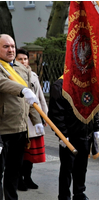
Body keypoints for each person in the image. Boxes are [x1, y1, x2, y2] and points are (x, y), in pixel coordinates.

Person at [0, 34, 42, 200]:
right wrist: (22, 89)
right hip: (2, 130)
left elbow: (30, 98)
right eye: (5, 46)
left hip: (19, 128)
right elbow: (2, 83)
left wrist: (36, 121)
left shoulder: (21, 67)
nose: (10, 49)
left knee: (14, 170)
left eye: (12, 46)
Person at [48, 75, 99, 200]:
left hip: (85, 132)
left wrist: (96, 126)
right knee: (67, 168)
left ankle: (79, 192)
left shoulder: (88, 82)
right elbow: (56, 113)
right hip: (69, 135)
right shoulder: (60, 85)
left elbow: (94, 105)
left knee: (82, 167)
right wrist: (63, 134)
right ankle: (64, 195)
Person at [15, 48, 47, 191]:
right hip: (21, 119)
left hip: (34, 119)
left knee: (31, 154)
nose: (23, 61)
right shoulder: (12, 76)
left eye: (25, 59)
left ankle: (28, 177)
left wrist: (44, 115)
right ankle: (18, 179)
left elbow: (40, 96)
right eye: (20, 59)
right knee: (20, 153)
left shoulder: (33, 75)